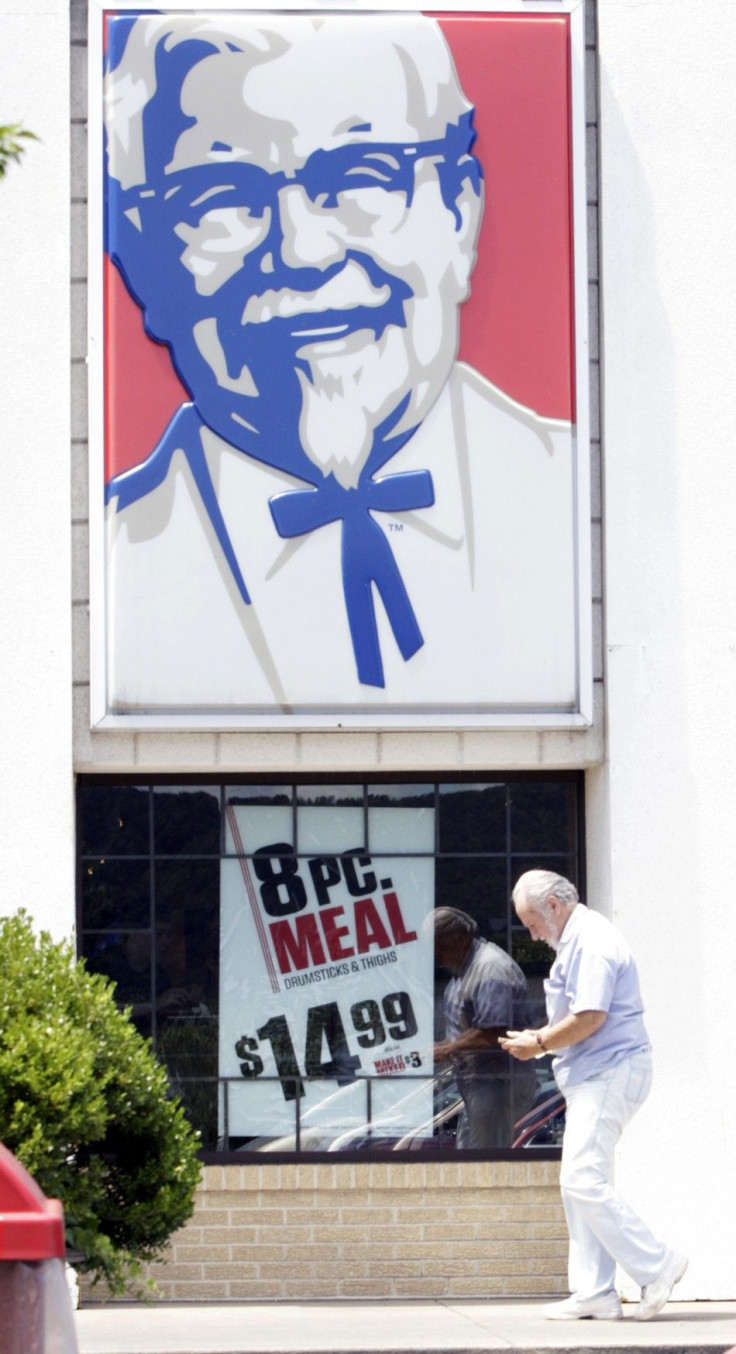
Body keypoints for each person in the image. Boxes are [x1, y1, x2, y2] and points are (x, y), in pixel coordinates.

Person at [102, 12, 577, 713]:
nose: (303, 250)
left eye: (361, 174)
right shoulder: (111, 559)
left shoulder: (570, 509)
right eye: (223, 196)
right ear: (141, 258)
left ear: (459, 215)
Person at [501, 870, 687, 1321]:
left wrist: (540, 1042)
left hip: (609, 1072)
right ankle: (594, 1293)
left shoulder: (592, 941)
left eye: (532, 922)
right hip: (597, 1074)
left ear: (554, 907)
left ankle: (657, 1265)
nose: (532, 932)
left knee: (582, 1178)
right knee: (578, 1185)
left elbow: (590, 1017)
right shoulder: (579, 940)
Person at [433, 907, 534, 1149]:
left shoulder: (490, 969)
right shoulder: (465, 968)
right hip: (479, 1084)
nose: (434, 957)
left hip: (497, 1084)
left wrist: (448, 1049)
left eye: (436, 947)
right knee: (470, 1154)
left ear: (456, 939)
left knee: (484, 1160)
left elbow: (495, 1031)